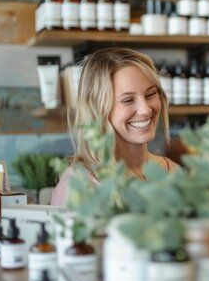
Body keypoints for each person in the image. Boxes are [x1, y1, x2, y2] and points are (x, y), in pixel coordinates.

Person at [51, 48, 178, 206]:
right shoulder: (81, 185)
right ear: (98, 110)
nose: (146, 109)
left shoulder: (173, 172)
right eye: (127, 100)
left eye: (150, 94)